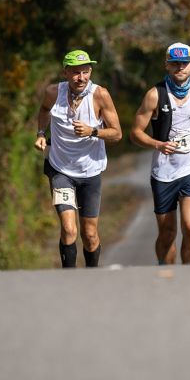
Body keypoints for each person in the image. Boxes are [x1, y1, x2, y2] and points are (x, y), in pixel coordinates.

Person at [130, 42, 190, 265]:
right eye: (175, 63)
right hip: (164, 172)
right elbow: (135, 133)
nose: (180, 67)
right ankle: (166, 272)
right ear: (167, 65)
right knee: (167, 232)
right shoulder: (155, 95)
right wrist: (157, 144)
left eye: (184, 63)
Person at [34, 49, 122, 268]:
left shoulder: (100, 95)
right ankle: (69, 276)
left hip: (90, 173)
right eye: (75, 73)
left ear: (90, 72)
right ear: (65, 73)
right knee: (69, 229)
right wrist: (41, 134)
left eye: (85, 72)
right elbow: (44, 111)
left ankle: (91, 275)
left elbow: (117, 133)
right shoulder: (53, 92)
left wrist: (92, 131)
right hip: (60, 170)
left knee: (90, 234)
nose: (81, 78)